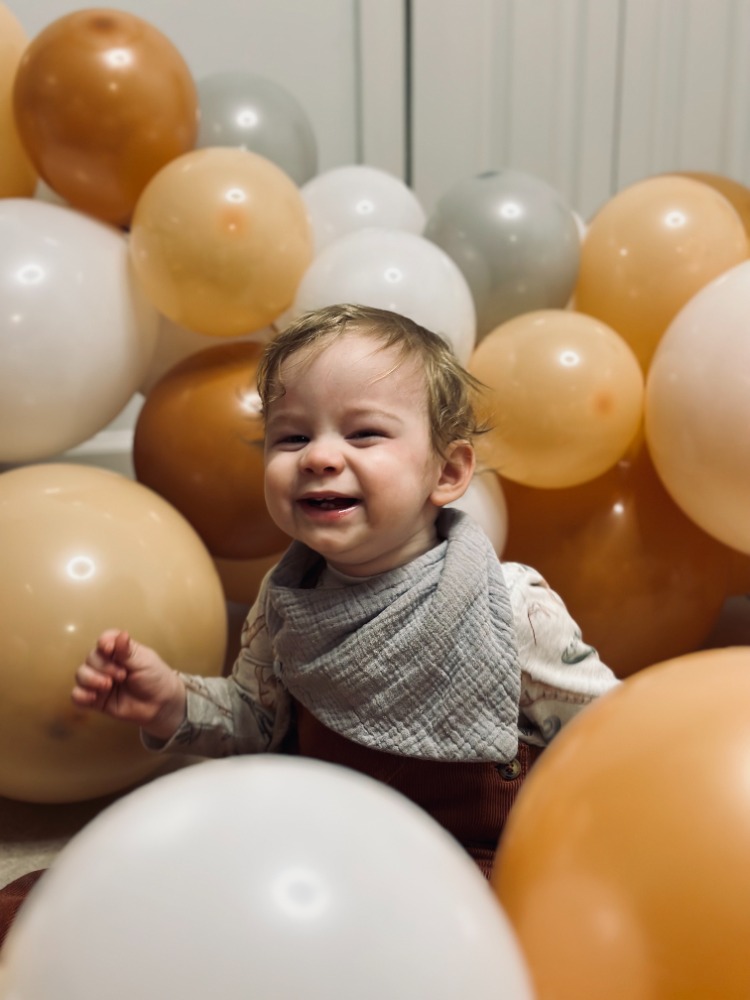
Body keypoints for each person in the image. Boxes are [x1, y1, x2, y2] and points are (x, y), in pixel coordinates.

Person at [72, 303, 618, 876]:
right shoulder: (286, 598)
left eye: (364, 434)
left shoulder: (507, 605)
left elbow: (610, 733)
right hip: (328, 848)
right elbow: (258, 723)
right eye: (291, 437)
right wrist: (170, 703)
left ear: (447, 473)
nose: (320, 457)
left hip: (472, 864)